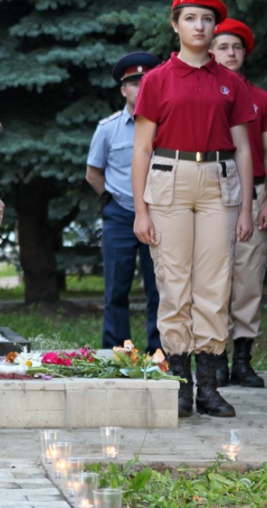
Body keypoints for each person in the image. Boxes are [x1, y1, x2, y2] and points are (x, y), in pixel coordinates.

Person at [132, 0, 255, 419]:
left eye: (206, 19)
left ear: (215, 26)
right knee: (174, 281)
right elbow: (141, 148)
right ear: (175, 25)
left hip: (219, 181)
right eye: (189, 18)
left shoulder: (230, 82)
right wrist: (141, 210)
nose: (199, 26)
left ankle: (209, 387)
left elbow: (244, 148)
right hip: (170, 177)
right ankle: (181, 387)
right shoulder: (157, 79)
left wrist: (246, 208)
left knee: (215, 284)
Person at [209, 19, 267, 388]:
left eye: (237, 47)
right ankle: (215, 358)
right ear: (210, 51)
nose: (230, 53)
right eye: (223, 47)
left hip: (252, 194)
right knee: (213, 278)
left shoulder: (260, 98)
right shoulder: (203, 94)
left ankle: (242, 359)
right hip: (212, 191)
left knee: (249, 277)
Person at [86, 51, 163, 353]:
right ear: (123, 89)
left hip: (159, 213)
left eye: (146, 81)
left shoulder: (166, 125)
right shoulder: (108, 129)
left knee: (160, 287)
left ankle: (159, 352)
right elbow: (93, 173)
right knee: (116, 289)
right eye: (134, 83)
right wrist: (114, 198)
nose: (140, 88)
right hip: (120, 216)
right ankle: (116, 353)